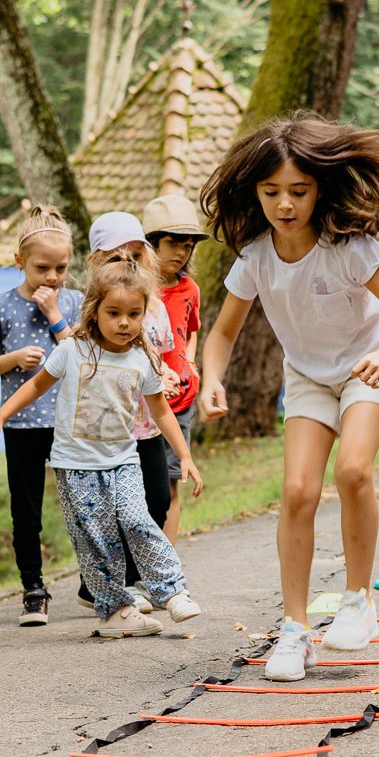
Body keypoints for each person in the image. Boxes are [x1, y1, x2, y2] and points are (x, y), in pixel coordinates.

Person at [198, 114, 379, 682]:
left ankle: (359, 599)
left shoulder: (348, 247)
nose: (285, 204)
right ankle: (296, 629)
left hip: (365, 369)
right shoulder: (255, 257)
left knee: (352, 470)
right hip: (306, 377)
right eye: (271, 192)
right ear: (254, 192)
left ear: (319, 188)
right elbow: (223, 331)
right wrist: (211, 377)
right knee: (298, 490)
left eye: (298, 191)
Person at [0, 258, 203, 639]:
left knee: (137, 520)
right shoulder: (73, 351)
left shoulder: (142, 359)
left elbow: (161, 411)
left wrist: (185, 456)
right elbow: (34, 386)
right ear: (94, 310)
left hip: (123, 460)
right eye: (114, 313)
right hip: (75, 465)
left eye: (134, 314)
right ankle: (115, 612)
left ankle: (172, 591)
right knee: (95, 537)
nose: (124, 323)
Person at [0, 207, 82, 627]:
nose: (52, 277)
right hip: (21, 426)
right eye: (42, 268)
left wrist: (55, 315)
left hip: (69, 422)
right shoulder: (2, 306)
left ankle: (95, 584)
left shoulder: (73, 302)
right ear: (20, 263)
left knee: (83, 506)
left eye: (61, 268)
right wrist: (13, 359)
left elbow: (82, 355)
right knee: (27, 513)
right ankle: (34, 591)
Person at [85, 212, 180, 606]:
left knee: (157, 499)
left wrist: (169, 376)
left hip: (148, 422)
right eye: (115, 256)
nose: (127, 261)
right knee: (114, 510)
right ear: (96, 262)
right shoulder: (96, 309)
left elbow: (160, 355)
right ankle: (113, 584)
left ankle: (123, 579)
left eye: (135, 254)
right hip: (111, 426)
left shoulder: (153, 308)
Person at [142, 193, 209, 540]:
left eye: (188, 246)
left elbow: (191, 331)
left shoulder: (190, 289)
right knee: (138, 485)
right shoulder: (134, 290)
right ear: (150, 244)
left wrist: (191, 363)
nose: (181, 252)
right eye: (172, 243)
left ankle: (166, 562)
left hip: (180, 399)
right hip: (141, 401)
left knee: (170, 485)